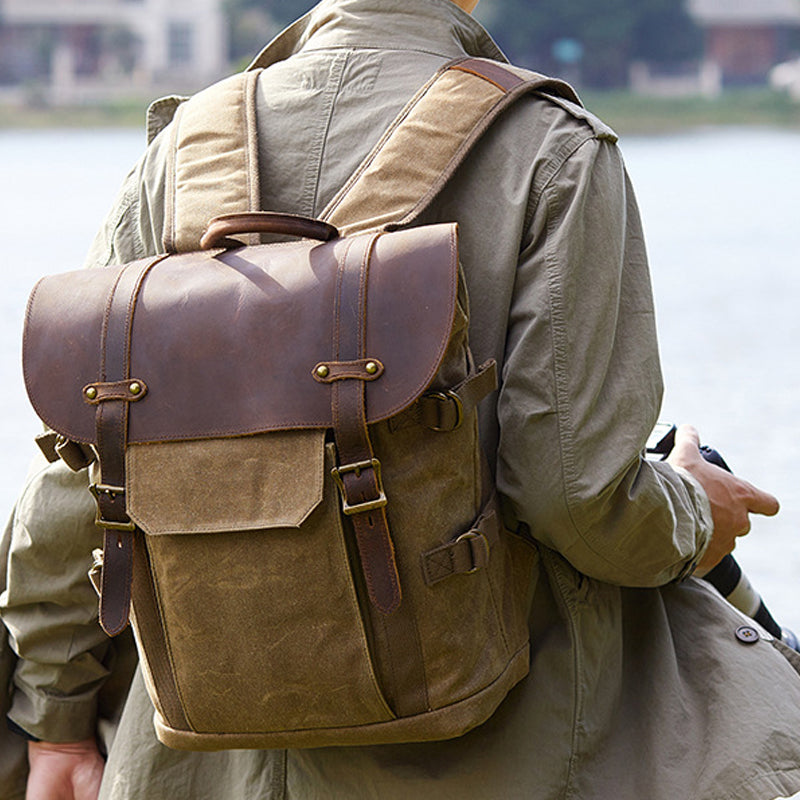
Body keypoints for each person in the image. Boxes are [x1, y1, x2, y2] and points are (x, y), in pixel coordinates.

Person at [4, 0, 800, 798]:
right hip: (496, 750)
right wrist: (695, 511)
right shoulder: (550, 149)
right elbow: (576, 497)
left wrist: (56, 721)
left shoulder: (178, 156)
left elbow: (78, 481)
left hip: (206, 759)